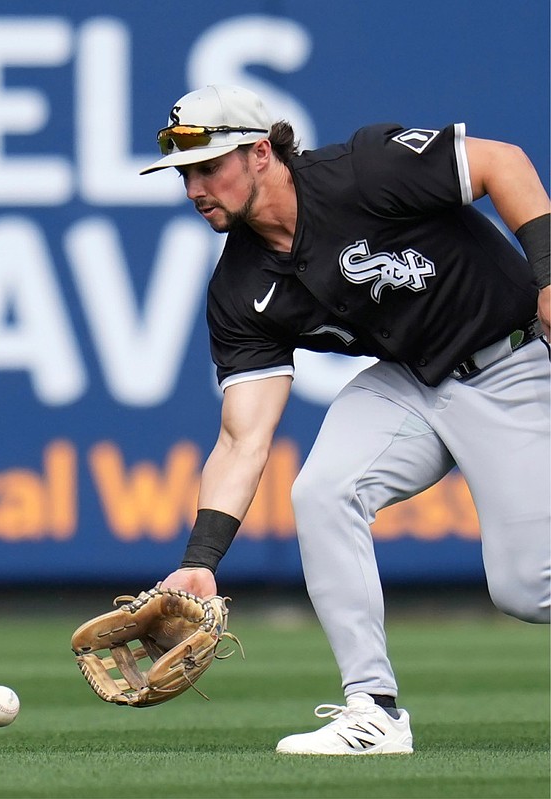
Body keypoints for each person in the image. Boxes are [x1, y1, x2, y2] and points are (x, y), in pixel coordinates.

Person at [140, 85, 549, 755]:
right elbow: (244, 437)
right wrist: (200, 561)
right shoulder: (240, 288)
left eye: (210, 165)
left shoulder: (365, 169)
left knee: (528, 590)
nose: (195, 189)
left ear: (261, 153)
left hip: (508, 358)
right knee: (322, 490)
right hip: (411, 380)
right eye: (185, 173)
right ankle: (375, 710)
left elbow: (504, 163)